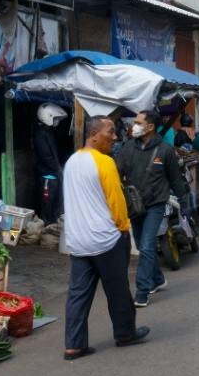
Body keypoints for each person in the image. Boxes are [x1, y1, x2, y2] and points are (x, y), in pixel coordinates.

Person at [60, 115, 147, 357]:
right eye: (110, 131)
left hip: (78, 241)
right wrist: (123, 229)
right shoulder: (105, 162)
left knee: (78, 294)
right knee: (118, 289)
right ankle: (125, 333)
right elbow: (117, 203)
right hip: (106, 238)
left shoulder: (71, 162)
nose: (115, 136)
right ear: (94, 135)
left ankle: (74, 344)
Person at [116, 109, 188, 309]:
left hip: (156, 205)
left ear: (150, 127)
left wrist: (184, 202)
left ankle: (142, 291)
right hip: (135, 206)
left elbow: (175, 179)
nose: (134, 125)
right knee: (141, 245)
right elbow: (115, 173)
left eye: (138, 122)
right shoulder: (127, 148)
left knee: (147, 246)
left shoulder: (165, 150)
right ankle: (157, 279)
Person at [33, 104, 68, 224]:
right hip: (47, 177)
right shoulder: (40, 135)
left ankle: (51, 228)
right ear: (47, 117)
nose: (57, 122)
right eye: (55, 118)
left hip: (53, 176)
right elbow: (46, 156)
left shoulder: (49, 133)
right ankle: (45, 230)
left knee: (54, 205)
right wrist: (58, 169)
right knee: (47, 207)